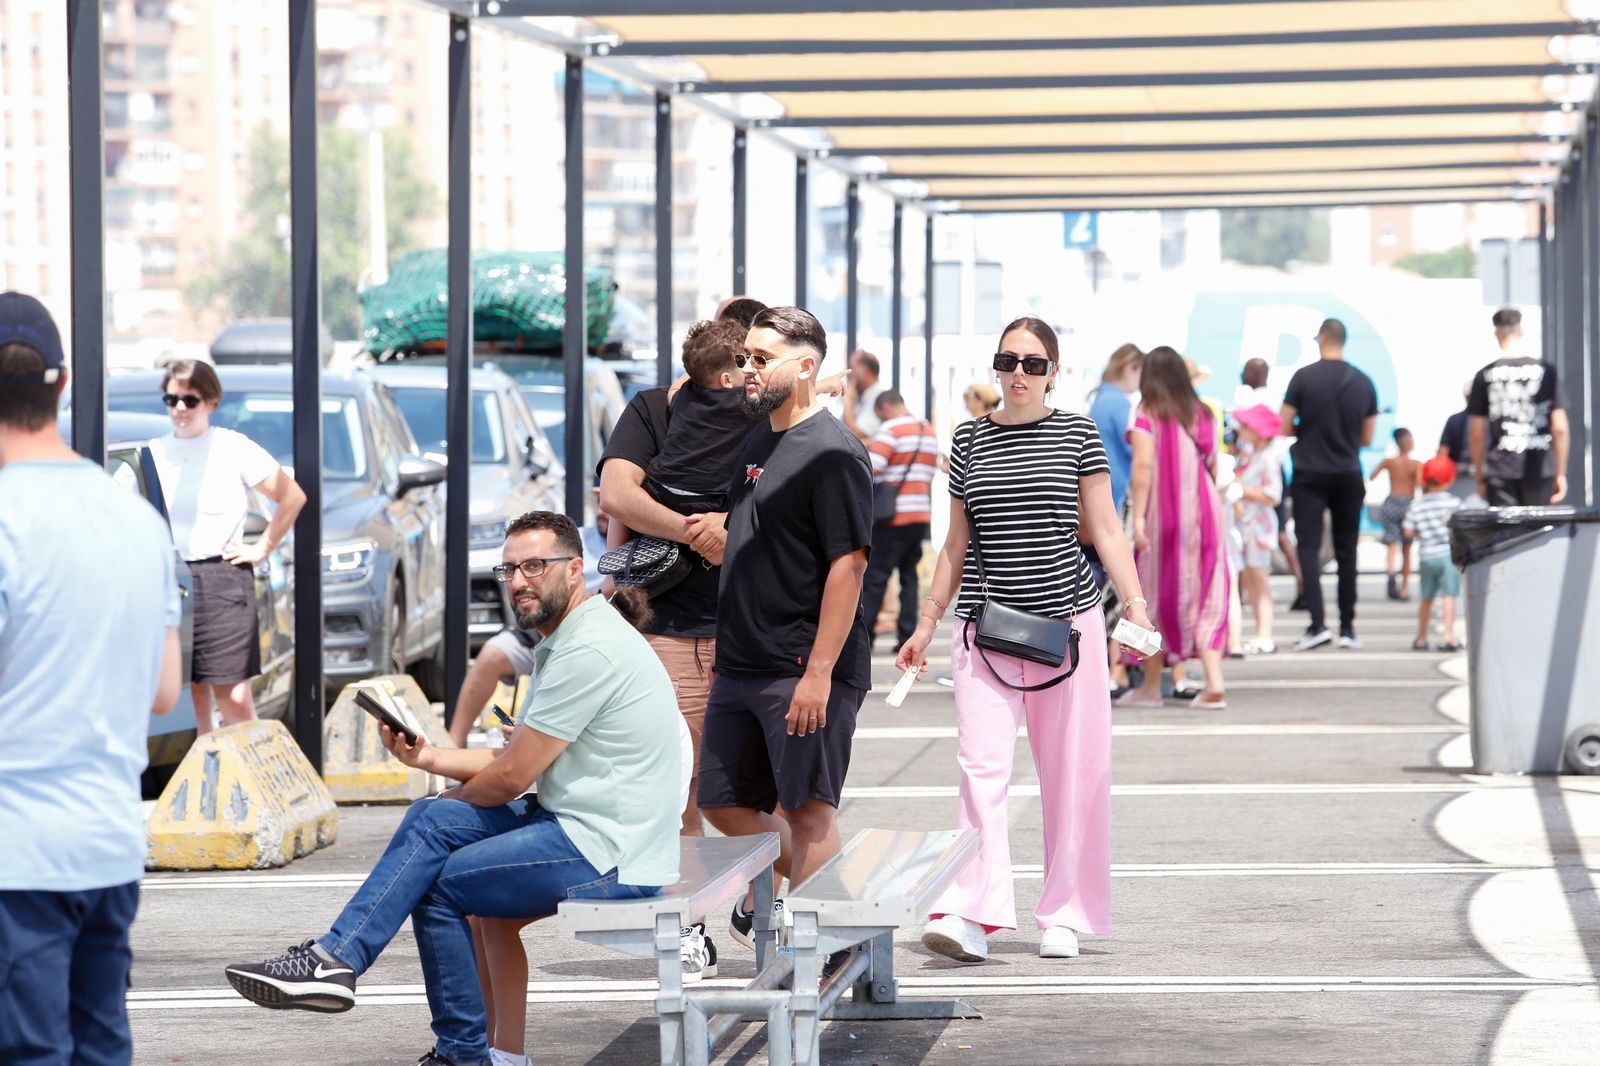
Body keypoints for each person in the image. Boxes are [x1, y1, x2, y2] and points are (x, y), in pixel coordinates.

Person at [226, 512, 681, 1066]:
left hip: (614, 853)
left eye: (535, 566)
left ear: (574, 569)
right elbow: (513, 760)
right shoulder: (571, 638)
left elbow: (511, 777)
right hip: (582, 825)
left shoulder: (586, 650)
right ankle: (343, 964)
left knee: (439, 882)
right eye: (509, 569)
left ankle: (455, 1050)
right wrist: (428, 758)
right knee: (433, 824)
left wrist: (449, 802)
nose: (519, 581)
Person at [898, 315, 1156, 964]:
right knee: (979, 772)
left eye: (1033, 364)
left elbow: (1106, 528)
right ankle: (970, 912)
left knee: (1072, 775)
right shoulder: (968, 439)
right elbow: (954, 544)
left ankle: (1064, 912)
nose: (1018, 373)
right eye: (1008, 360)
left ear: (1053, 373)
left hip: (1068, 626)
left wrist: (1136, 606)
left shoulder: (1077, 433)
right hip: (983, 628)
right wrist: (926, 623)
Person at [0, 292, 184, 1066]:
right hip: (107, 846)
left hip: (17, 854)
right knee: (100, 1044)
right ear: (64, 383)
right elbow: (165, 691)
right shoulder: (136, 519)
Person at [684, 306, 873, 955]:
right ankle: (841, 900)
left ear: (806, 366)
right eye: (745, 358)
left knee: (808, 810)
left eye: (762, 359)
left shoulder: (833, 452)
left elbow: (849, 566)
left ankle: (827, 957)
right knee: (722, 802)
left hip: (800, 665)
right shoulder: (759, 440)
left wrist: (819, 672)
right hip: (742, 663)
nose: (748, 370)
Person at [149, 359, 306, 733]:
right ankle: (208, 764)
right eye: (171, 400)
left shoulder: (231, 447)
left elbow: (292, 497)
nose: (180, 408)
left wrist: (262, 547)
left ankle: (256, 767)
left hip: (222, 577)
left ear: (211, 402)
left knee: (234, 697)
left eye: (190, 400)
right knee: (191, 695)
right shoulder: (154, 452)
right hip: (170, 578)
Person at [1118, 346, 1231, 709]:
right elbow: (1213, 464)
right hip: (1206, 513)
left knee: (1148, 593)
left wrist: (1137, 518)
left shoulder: (1147, 411)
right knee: (1206, 593)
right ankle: (1214, 681)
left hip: (1162, 515)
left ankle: (1151, 686)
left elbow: (1143, 467)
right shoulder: (1203, 413)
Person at [1280, 318, 1378, 651]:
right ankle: (1348, 627)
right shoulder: (1363, 381)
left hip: (1309, 472)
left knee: (1308, 547)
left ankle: (1317, 624)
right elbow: (1367, 437)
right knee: (1347, 550)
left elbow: (1283, 424)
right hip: (1348, 471)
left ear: (1321, 339)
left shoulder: (1303, 377)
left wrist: (1305, 430)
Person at [860, 389, 939, 649]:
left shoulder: (891, 429)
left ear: (885, 407)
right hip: (920, 514)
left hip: (892, 516)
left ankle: (865, 636)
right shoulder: (927, 431)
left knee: (876, 577)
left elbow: (871, 467)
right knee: (909, 578)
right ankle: (906, 636)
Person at [1468, 308, 1570, 507]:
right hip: (1540, 466)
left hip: (1501, 469)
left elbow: (1476, 433)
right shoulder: (1546, 371)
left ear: (1496, 333)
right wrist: (1560, 473)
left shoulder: (1485, 374)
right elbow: (1560, 427)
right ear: (1521, 331)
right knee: (1538, 525)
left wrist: (1480, 476)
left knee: (1506, 527)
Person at [1238, 357, 1306, 610]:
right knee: (1279, 533)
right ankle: (1301, 583)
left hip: (1262, 474)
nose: (1243, 375)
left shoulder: (1252, 401)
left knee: (1278, 533)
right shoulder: (1275, 399)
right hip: (1267, 469)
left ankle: (1297, 583)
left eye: (1247, 371)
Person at [1229, 404, 1284, 655]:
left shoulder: (1267, 458)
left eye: (1246, 426)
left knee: (1259, 581)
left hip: (1258, 527)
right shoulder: (1253, 454)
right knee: (1252, 581)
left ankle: (1265, 635)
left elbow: (1273, 495)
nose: (1241, 430)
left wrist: (1242, 489)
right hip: (1249, 526)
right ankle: (1262, 634)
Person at [1404, 457, 1464, 653]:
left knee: (1426, 597)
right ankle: (1448, 637)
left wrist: (1422, 531)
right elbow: (1463, 527)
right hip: (1448, 555)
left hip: (1426, 556)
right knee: (1449, 596)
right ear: (1450, 479)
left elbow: (1408, 531)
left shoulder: (1417, 505)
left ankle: (1421, 638)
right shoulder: (1454, 503)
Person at [1087, 343, 1144, 514]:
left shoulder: (1101, 398)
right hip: (1113, 488)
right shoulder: (1120, 403)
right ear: (1130, 368)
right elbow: (1136, 449)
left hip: (1097, 486)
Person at [1371, 428, 1422, 601]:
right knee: (1407, 549)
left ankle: (1391, 576)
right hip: (1408, 504)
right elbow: (1420, 484)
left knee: (1392, 545)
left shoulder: (1389, 462)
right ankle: (1404, 588)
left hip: (1391, 502)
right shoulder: (1415, 464)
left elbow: (1372, 476)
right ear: (1409, 443)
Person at [837, 349, 886, 442]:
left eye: (852, 368)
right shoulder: (858, 396)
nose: (850, 374)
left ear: (865, 371)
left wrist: (848, 403)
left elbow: (857, 434)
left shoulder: (879, 398)